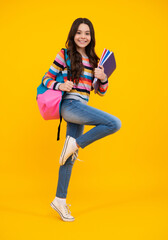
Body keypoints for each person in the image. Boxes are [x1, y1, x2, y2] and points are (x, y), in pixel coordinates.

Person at [42, 18, 121, 222]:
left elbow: (100, 92)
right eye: (79, 32)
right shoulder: (65, 54)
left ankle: (59, 200)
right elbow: (46, 79)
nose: (83, 36)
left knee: (69, 156)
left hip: (82, 108)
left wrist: (103, 77)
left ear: (91, 36)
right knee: (114, 123)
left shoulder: (95, 59)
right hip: (69, 105)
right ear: (73, 34)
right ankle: (75, 143)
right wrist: (61, 86)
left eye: (87, 33)